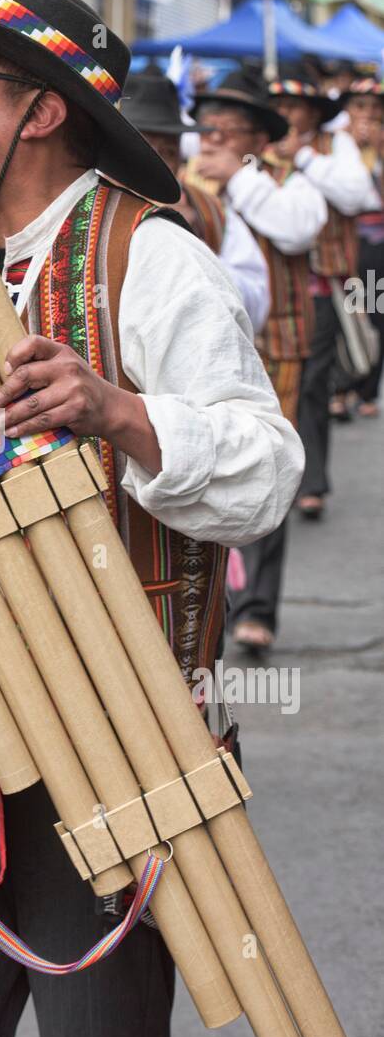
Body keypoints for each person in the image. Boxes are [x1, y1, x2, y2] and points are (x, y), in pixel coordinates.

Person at [0, 0, 304, 1037]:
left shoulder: (149, 256)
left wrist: (122, 413)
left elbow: (266, 467)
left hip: (117, 737)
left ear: (41, 110)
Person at [190, 71, 328, 652]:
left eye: (228, 132)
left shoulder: (289, 184)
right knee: (200, 464)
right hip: (199, 348)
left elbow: (298, 232)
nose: (213, 141)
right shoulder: (179, 180)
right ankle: (203, 600)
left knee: (267, 463)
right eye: (208, 130)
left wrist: (239, 181)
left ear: (258, 140)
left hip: (275, 346)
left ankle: (258, 608)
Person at [286, 74, 378, 517]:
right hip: (262, 289)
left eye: (294, 107)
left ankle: (312, 480)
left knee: (310, 384)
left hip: (320, 285)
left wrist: (302, 158)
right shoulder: (253, 146)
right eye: (277, 106)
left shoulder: (330, 145)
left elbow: (356, 193)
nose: (285, 115)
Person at [121, 67, 270, 332]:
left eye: (167, 151)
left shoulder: (209, 209)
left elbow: (256, 306)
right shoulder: (87, 204)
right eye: (142, 147)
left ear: (181, 156)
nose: (156, 162)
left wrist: (193, 246)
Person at [331, 79, 384, 418]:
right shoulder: (336, 144)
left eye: (375, 108)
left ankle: (366, 389)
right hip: (345, 245)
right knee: (347, 311)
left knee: (376, 313)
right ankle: (342, 384)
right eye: (360, 106)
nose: (367, 114)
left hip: (377, 247)